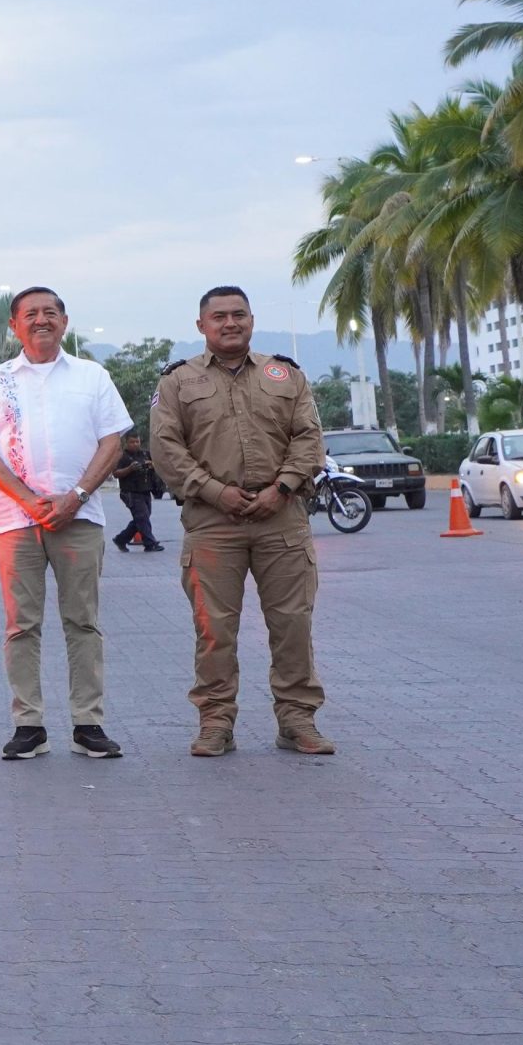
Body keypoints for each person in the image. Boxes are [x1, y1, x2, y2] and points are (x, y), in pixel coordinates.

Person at [148, 286, 335, 758]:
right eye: (219, 317)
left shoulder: (286, 374)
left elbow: (309, 439)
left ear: (252, 319)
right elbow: (166, 449)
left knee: (292, 624)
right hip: (213, 523)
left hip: (283, 519)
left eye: (239, 315)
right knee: (215, 630)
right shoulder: (177, 382)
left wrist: (283, 488)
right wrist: (217, 492)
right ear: (201, 326)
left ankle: (297, 720)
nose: (230, 323)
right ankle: (215, 723)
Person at [0, 287, 131, 762]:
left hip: (81, 517)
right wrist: (31, 501)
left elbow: (113, 441)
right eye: (30, 314)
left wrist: (76, 496)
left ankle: (88, 722)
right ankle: (28, 724)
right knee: (21, 625)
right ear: (14, 325)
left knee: (83, 621)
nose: (41, 320)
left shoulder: (92, 376)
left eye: (50, 313)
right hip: (17, 521)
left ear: (64, 321)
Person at [111, 433, 166, 553]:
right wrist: (130, 469)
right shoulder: (122, 456)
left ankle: (121, 539)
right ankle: (150, 543)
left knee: (142, 518)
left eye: (137, 442)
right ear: (126, 443)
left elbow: (160, 465)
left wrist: (152, 465)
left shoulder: (145, 454)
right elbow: (115, 473)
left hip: (145, 491)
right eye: (132, 442)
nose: (135, 444)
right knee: (142, 517)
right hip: (130, 492)